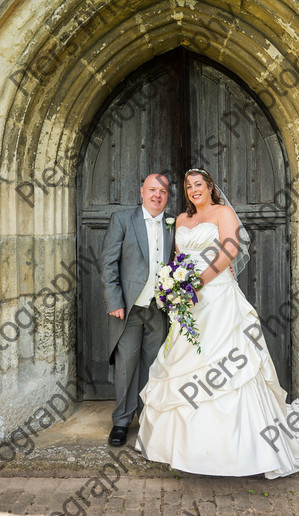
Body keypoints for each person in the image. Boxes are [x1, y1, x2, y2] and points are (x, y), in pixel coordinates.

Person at [135, 168, 299, 478]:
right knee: (183, 363)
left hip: (217, 297)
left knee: (230, 364)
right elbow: (176, 260)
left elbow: (229, 248)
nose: (193, 190)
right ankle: (187, 448)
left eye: (198, 184)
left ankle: (242, 449)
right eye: (188, 186)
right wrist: (175, 286)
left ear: (211, 187)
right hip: (189, 303)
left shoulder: (223, 211)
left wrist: (197, 282)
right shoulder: (182, 221)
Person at [101, 174, 175, 446]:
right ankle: (121, 422)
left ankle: (147, 418)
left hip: (159, 309)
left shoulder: (173, 224)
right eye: (152, 190)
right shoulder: (122, 219)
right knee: (126, 367)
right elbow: (108, 263)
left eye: (163, 191)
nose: (157, 195)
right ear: (141, 192)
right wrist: (114, 301)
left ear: (167, 196)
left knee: (153, 366)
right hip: (129, 309)